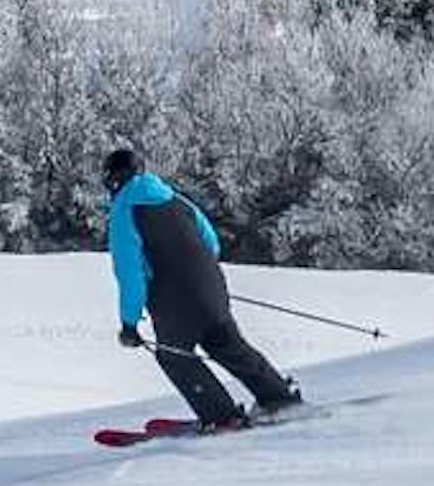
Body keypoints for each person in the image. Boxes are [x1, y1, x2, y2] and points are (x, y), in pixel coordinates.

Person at [103, 148, 303, 430]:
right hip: (212, 285)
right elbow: (211, 243)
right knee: (228, 344)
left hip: (174, 300)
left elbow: (129, 274)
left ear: (112, 181)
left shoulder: (125, 212)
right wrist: (199, 282)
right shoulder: (177, 200)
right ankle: (278, 397)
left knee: (174, 355)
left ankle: (222, 416)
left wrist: (129, 323)